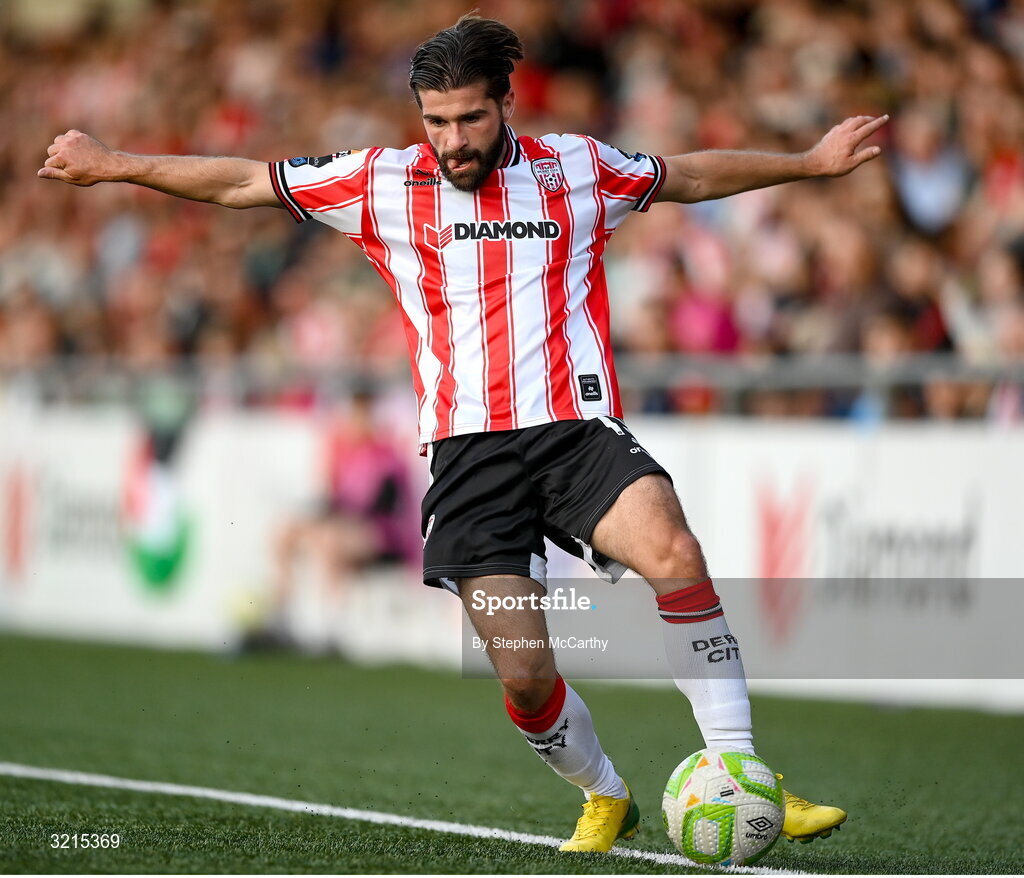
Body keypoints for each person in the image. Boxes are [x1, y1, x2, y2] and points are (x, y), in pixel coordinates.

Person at [39, 14, 886, 854]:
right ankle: (604, 793)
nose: (452, 140)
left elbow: (690, 178)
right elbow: (241, 183)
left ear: (506, 104)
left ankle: (741, 769)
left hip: (574, 430)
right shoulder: (379, 182)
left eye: (470, 119)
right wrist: (117, 167)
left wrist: (810, 163)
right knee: (524, 674)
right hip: (468, 452)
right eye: (436, 122)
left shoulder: (577, 169)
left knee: (674, 551)